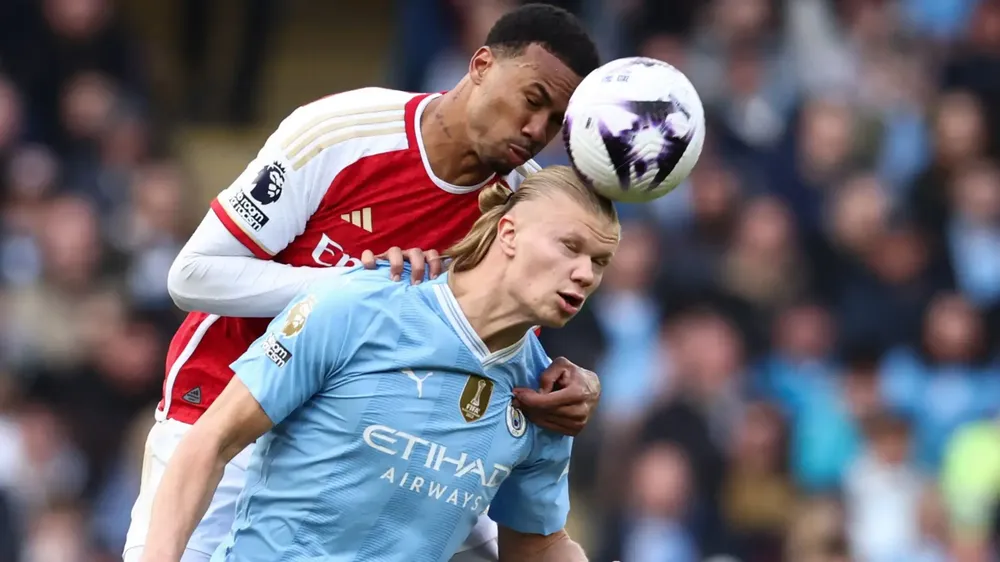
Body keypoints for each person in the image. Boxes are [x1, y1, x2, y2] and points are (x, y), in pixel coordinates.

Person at [124, 4, 603, 562]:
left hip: (351, 441)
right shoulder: (344, 131)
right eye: (533, 100)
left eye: (555, 121)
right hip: (218, 413)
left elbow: (494, 343)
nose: (537, 130)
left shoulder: (521, 202)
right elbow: (192, 274)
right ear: (480, 64)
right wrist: (357, 284)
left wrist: (572, 382)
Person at [141, 166, 619, 562]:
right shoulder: (359, 306)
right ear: (508, 233)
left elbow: (536, 546)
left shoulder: (547, 397)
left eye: (600, 261)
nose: (584, 273)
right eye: (570, 246)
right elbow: (211, 440)